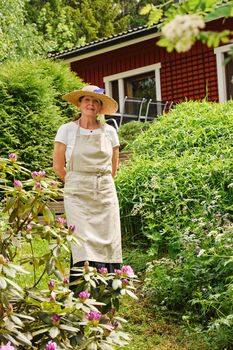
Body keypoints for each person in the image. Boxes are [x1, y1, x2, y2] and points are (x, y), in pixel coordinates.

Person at [53, 85, 122, 284]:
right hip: (77, 194)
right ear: (80, 104)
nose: (90, 104)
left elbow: (113, 168)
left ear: (100, 107)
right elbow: (58, 166)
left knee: (108, 239)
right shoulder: (66, 130)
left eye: (95, 101)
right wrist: (76, 183)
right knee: (81, 240)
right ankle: (82, 290)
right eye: (86, 100)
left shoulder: (109, 131)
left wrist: (98, 183)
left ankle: (108, 287)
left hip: (105, 191)